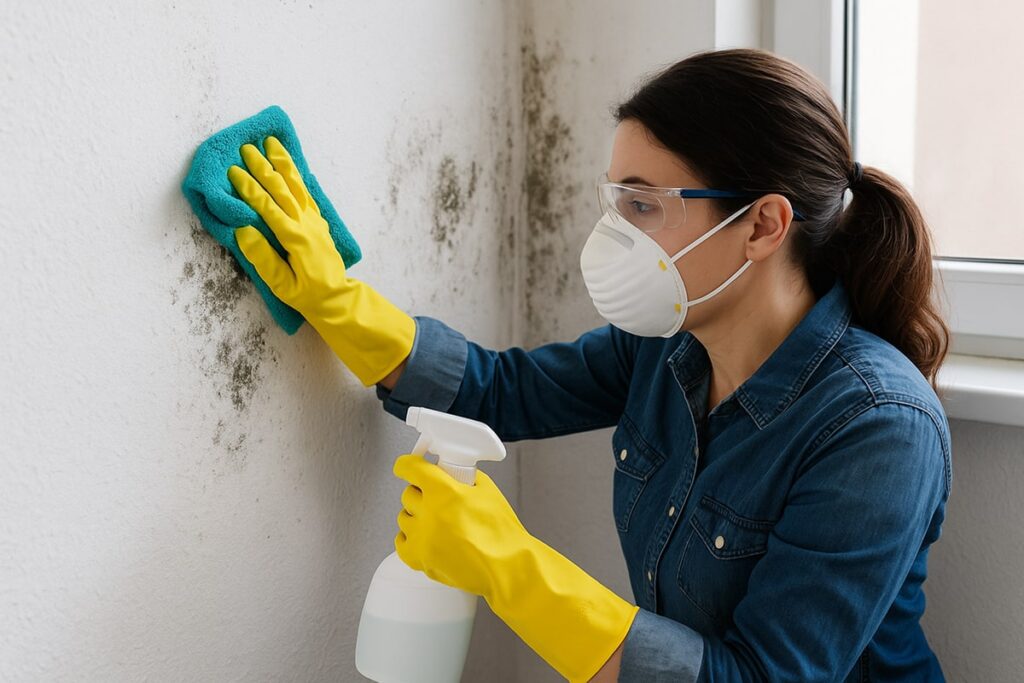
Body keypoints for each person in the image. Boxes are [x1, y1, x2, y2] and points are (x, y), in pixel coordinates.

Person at [226, 47, 952, 682]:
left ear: (763, 224)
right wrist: (336, 300)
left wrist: (510, 566)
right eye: (615, 201)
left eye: (643, 205)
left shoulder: (879, 428)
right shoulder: (668, 343)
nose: (612, 236)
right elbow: (500, 392)